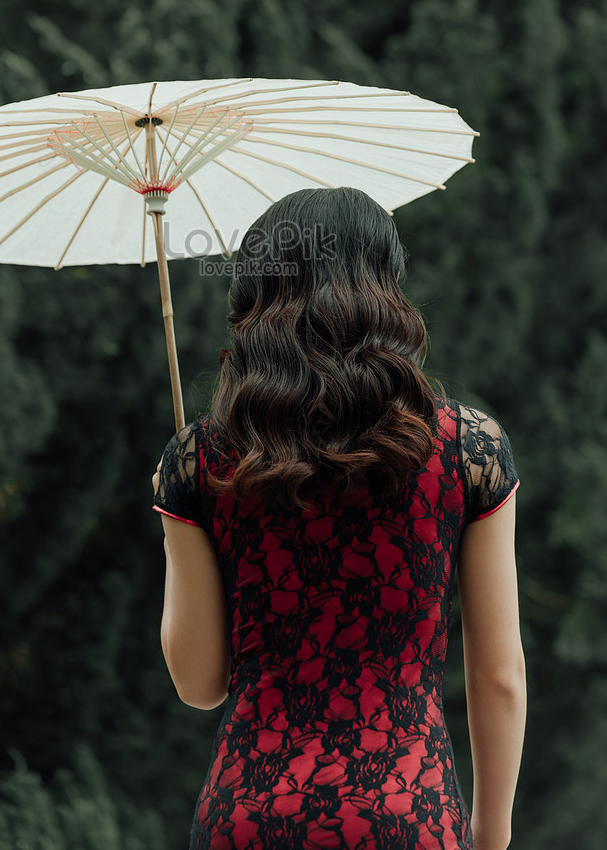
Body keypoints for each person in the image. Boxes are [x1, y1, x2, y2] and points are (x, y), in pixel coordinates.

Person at [151, 187, 526, 850]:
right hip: (410, 812)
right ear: (386, 287)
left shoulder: (204, 459)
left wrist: (179, 504)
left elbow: (200, 683)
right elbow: (498, 679)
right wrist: (490, 835)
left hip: (248, 814)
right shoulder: (468, 448)